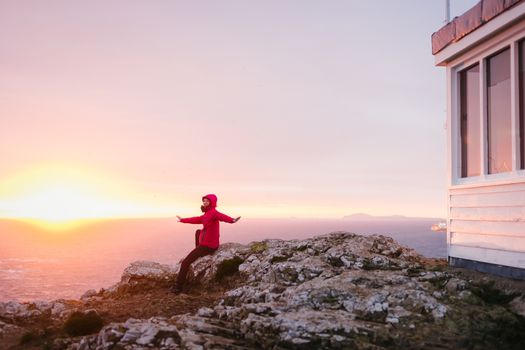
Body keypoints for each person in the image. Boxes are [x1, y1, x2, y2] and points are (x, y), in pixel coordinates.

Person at [172, 194, 240, 294]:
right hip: (208, 243)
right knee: (198, 231)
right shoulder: (207, 214)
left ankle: (178, 287)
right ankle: (198, 251)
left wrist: (232, 220)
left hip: (208, 246)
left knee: (185, 262)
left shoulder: (213, 213)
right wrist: (182, 220)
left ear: (212, 203)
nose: (204, 202)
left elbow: (222, 216)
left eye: (207, 201)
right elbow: (195, 219)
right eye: (204, 201)